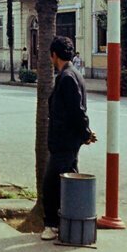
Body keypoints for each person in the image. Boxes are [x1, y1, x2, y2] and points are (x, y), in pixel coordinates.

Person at [40, 35, 96, 241]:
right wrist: (85, 134)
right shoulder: (74, 75)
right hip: (69, 141)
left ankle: (52, 225)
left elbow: (76, 111)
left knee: (50, 184)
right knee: (70, 181)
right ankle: (73, 221)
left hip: (64, 142)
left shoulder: (67, 78)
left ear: (54, 55)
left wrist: (86, 133)